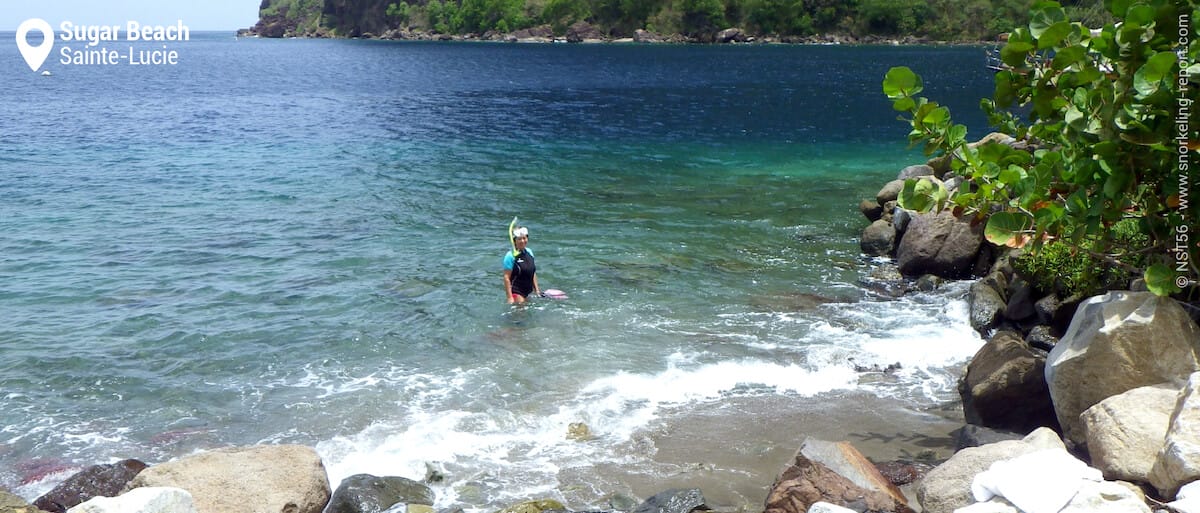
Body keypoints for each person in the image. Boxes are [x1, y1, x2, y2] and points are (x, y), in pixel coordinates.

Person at [503, 226, 540, 304]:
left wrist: (537, 290)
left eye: (524, 238)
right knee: (520, 314)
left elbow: (532, 272)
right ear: (514, 241)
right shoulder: (510, 256)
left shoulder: (529, 252)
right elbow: (506, 278)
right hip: (517, 292)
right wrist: (509, 297)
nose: (522, 241)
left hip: (528, 291)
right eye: (519, 239)